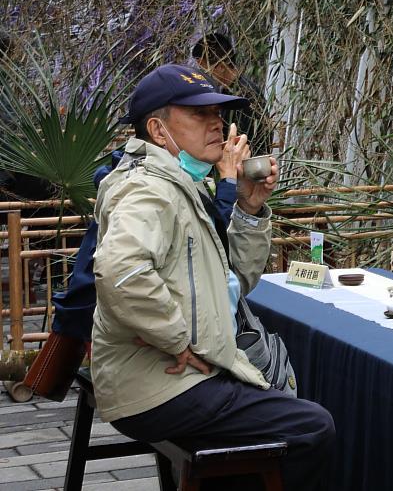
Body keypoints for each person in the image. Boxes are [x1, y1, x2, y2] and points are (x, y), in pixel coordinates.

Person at [91, 64, 334, 490]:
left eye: (218, 113)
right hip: (156, 384)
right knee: (311, 426)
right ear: (158, 129)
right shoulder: (148, 189)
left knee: (274, 416)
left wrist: (250, 209)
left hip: (174, 374)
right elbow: (119, 270)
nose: (216, 123)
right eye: (198, 114)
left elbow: (235, 279)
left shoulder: (186, 185)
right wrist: (177, 338)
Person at [191, 32, 270, 154]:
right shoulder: (227, 91)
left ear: (221, 66)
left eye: (204, 69)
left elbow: (248, 145)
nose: (203, 75)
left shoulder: (245, 97)